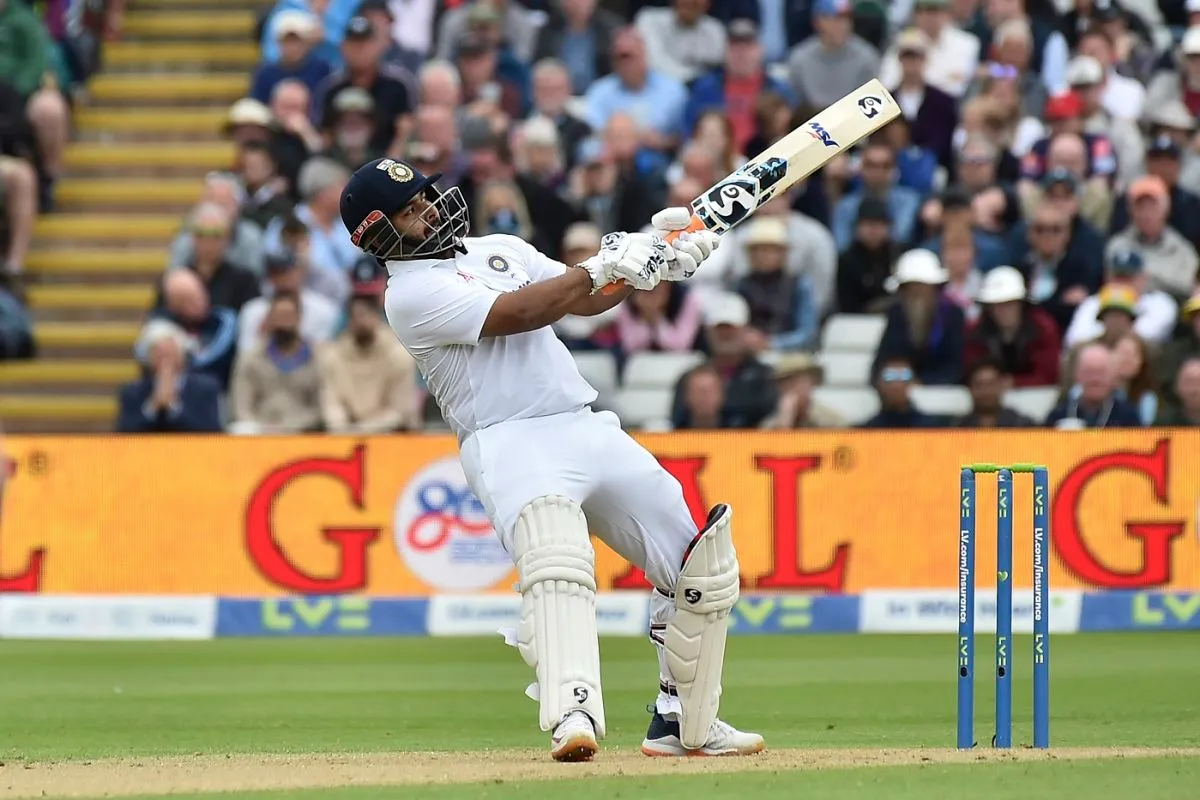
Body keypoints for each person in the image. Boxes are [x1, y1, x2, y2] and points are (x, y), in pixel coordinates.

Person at [338, 157, 760, 760]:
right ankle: (573, 715)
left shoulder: (498, 247)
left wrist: (653, 261)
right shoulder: (409, 295)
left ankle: (682, 722)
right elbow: (522, 312)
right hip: (508, 439)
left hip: (581, 421)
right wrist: (600, 265)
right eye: (409, 211)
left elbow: (584, 301)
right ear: (376, 234)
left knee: (700, 565)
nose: (428, 210)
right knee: (557, 562)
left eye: (426, 197)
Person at [672, 292, 777, 429]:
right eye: (720, 329)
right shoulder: (690, 378)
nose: (726, 335)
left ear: (746, 330)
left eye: (732, 329)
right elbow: (677, 424)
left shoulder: (764, 377)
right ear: (708, 331)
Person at [319, 294, 421, 432]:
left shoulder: (399, 356)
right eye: (356, 317)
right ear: (348, 321)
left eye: (366, 315)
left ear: (377, 317)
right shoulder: (333, 357)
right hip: (345, 435)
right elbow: (332, 403)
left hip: (393, 435)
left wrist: (364, 430)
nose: (361, 322)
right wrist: (342, 429)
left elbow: (400, 409)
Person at [229, 292, 328, 434]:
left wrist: (294, 427)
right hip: (261, 433)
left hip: (305, 432)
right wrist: (258, 427)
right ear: (269, 319)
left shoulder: (318, 358)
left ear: (299, 318)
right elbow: (241, 405)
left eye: (288, 316)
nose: (283, 323)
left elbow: (323, 405)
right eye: (279, 317)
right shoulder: (251, 359)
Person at [873, 249, 966, 385]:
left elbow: (954, 367)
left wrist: (922, 382)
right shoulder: (897, 314)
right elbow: (885, 362)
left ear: (934, 288)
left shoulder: (952, 315)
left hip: (942, 392)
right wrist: (903, 381)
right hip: (901, 391)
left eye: (922, 287)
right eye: (910, 287)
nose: (916, 293)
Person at [116, 321, 223, 434]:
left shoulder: (206, 388)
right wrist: (153, 406)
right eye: (159, 354)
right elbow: (124, 433)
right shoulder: (132, 391)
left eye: (169, 353)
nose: (165, 360)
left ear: (181, 355)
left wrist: (173, 406)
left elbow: (211, 431)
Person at [963, 266, 1060, 387]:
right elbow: (972, 372)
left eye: (1010, 304)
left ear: (1021, 304)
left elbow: (1048, 375)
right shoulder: (975, 331)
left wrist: (1015, 382)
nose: (1004, 311)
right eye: (997, 305)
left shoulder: (1043, 328)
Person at [1063, 249, 1177, 349]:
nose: (1122, 284)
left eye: (1128, 278)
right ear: (1107, 278)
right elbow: (1075, 341)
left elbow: (1147, 335)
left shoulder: (1160, 303)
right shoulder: (1092, 303)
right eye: (1118, 277)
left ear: (1143, 278)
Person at [1045, 342, 1142, 428]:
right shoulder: (1060, 414)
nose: (1095, 379)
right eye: (1089, 372)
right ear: (1077, 375)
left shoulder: (1128, 417)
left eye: (1101, 372)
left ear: (1113, 377)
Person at [616, 281, 702, 356]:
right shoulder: (628, 298)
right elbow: (630, 346)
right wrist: (645, 314)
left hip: (682, 360)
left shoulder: (687, 298)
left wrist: (657, 317)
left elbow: (681, 345)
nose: (651, 289)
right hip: (641, 362)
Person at [760, 353, 844, 428]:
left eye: (800, 382)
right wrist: (785, 423)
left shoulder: (832, 422)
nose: (794, 389)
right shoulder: (769, 427)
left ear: (812, 383)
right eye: (787, 384)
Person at [950, 357, 1035, 427]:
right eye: (979, 385)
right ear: (970, 388)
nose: (986, 391)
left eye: (991, 384)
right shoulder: (960, 427)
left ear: (1002, 385)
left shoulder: (1022, 425)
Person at [859, 358, 941, 428]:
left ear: (914, 382)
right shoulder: (865, 433)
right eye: (890, 376)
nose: (897, 384)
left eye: (904, 376)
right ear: (879, 383)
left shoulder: (931, 430)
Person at [1112, 332, 1158, 425]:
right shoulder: (1094, 391)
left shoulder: (1146, 400)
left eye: (1133, 355)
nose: (1126, 359)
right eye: (1122, 353)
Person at [1155, 356, 1200, 425]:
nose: (1195, 390)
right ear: (1176, 387)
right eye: (1189, 382)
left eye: (1198, 382)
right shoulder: (1163, 423)